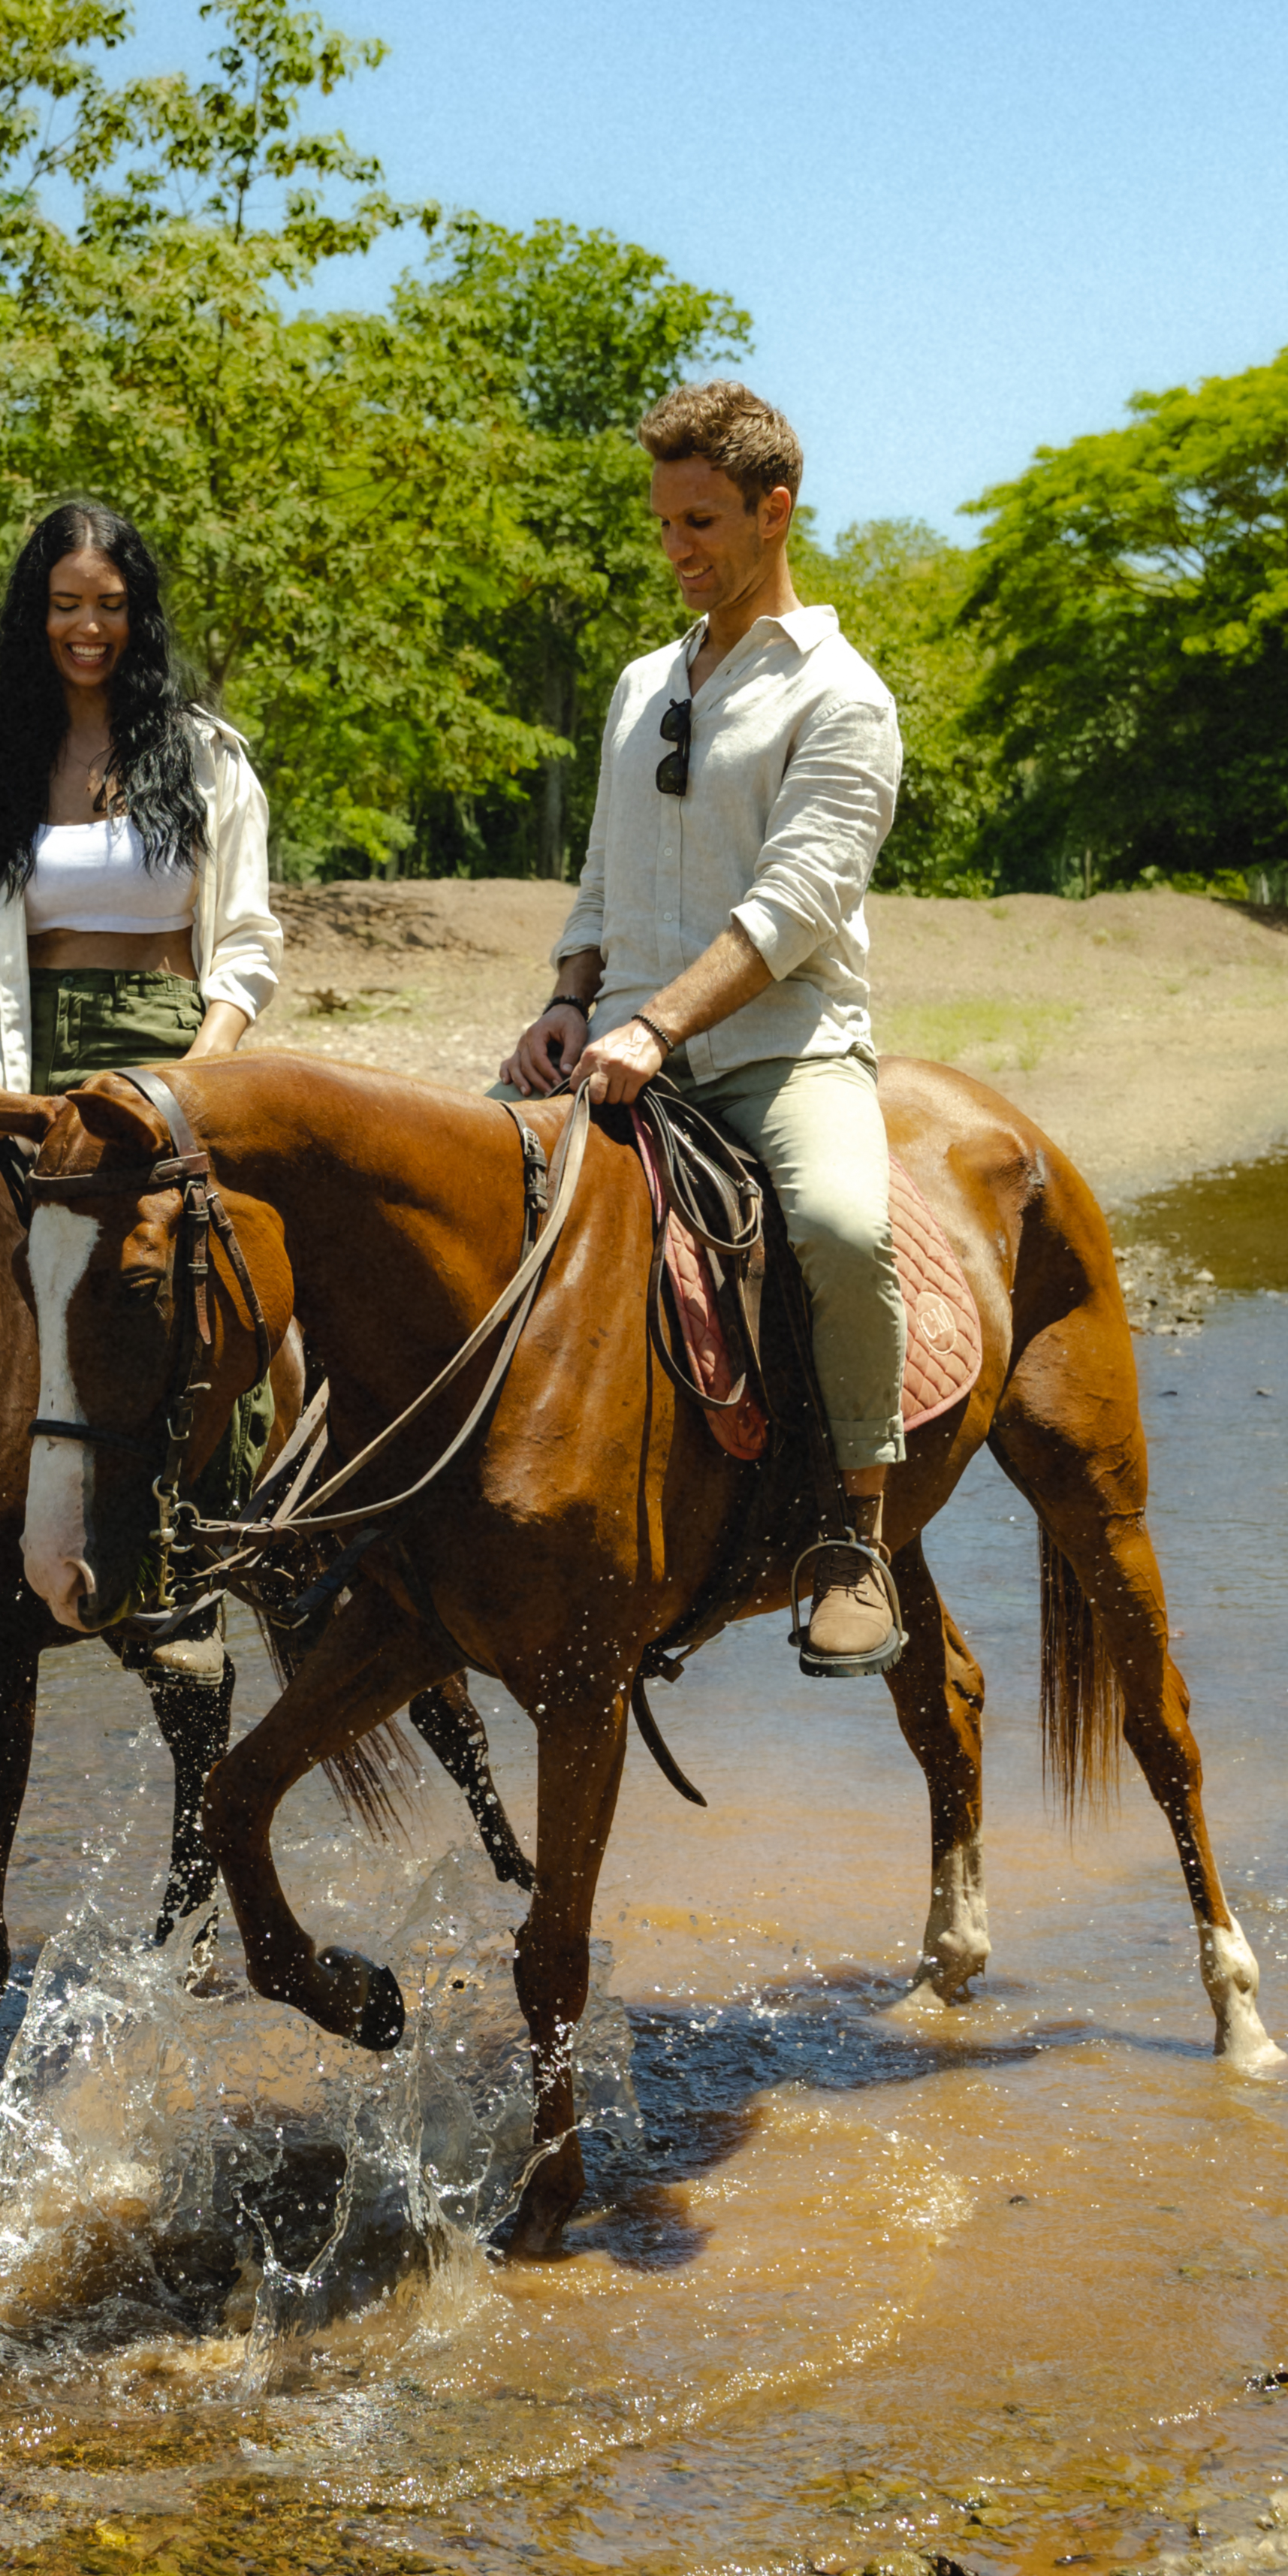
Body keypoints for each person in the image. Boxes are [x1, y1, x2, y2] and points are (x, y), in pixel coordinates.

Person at [497, 382, 911, 1676]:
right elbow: (603, 877)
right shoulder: (638, 684)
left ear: (774, 510)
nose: (676, 546)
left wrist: (659, 1028)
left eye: (703, 521)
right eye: (665, 520)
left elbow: (791, 909)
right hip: (622, 1046)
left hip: (780, 1050)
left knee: (844, 1229)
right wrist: (570, 1001)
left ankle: (856, 1534)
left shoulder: (845, 699)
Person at [0, 498, 282, 1657]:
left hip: (163, 1050)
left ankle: (208, 1531)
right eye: (66, 606)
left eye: (109, 606)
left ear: (138, 614)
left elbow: (246, 942)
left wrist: (202, 1075)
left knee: (212, 1255)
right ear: (34, 613)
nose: (87, 628)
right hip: (7, 1050)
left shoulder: (208, 757)